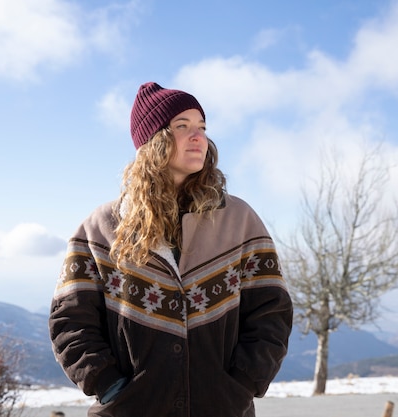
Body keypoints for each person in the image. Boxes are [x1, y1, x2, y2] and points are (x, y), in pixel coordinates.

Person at [49, 82, 293, 417]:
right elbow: (71, 321)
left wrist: (241, 383)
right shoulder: (100, 229)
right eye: (182, 126)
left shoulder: (239, 221)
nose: (198, 137)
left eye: (202, 127)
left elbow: (271, 314)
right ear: (152, 142)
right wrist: (108, 385)